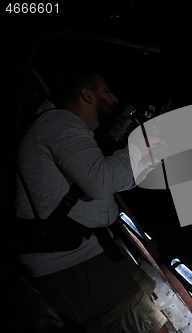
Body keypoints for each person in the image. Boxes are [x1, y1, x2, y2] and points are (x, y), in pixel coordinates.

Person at [15, 66, 168, 333]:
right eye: (106, 91)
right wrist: (138, 148)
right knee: (147, 326)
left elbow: (111, 181)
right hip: (77, 265)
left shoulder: (67, 128)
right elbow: (99, 181)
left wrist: (150, 156)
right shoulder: (58, 123)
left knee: (149, 315)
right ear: (87, 95)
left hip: (91, 253)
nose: (115, 98)